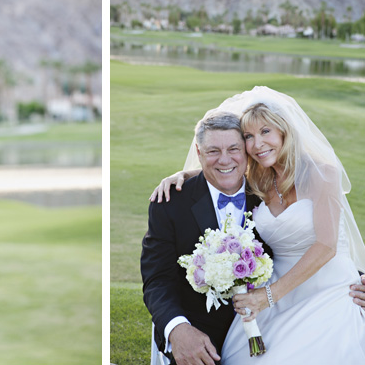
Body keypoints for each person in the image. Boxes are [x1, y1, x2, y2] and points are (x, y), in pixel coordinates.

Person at [149, 87, 365, 364]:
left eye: (266, 132)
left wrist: (267, 297)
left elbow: (327, 245)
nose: (257, 143)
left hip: (323, 290)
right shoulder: (261, 180)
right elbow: (224, 167)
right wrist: (184, 174)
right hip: (274, 296)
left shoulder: (322, 174)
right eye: (249, 136)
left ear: (285, 132)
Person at [142, 111, 261, 365]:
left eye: (233, 149)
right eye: (213, 151)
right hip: (199, 332)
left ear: (247, 151)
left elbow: (303, 243)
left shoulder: (270, 198)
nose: (225, 160)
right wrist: (178, 329)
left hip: (268, 324)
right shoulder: (169, 203)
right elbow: (157, 280)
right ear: (198, 153)